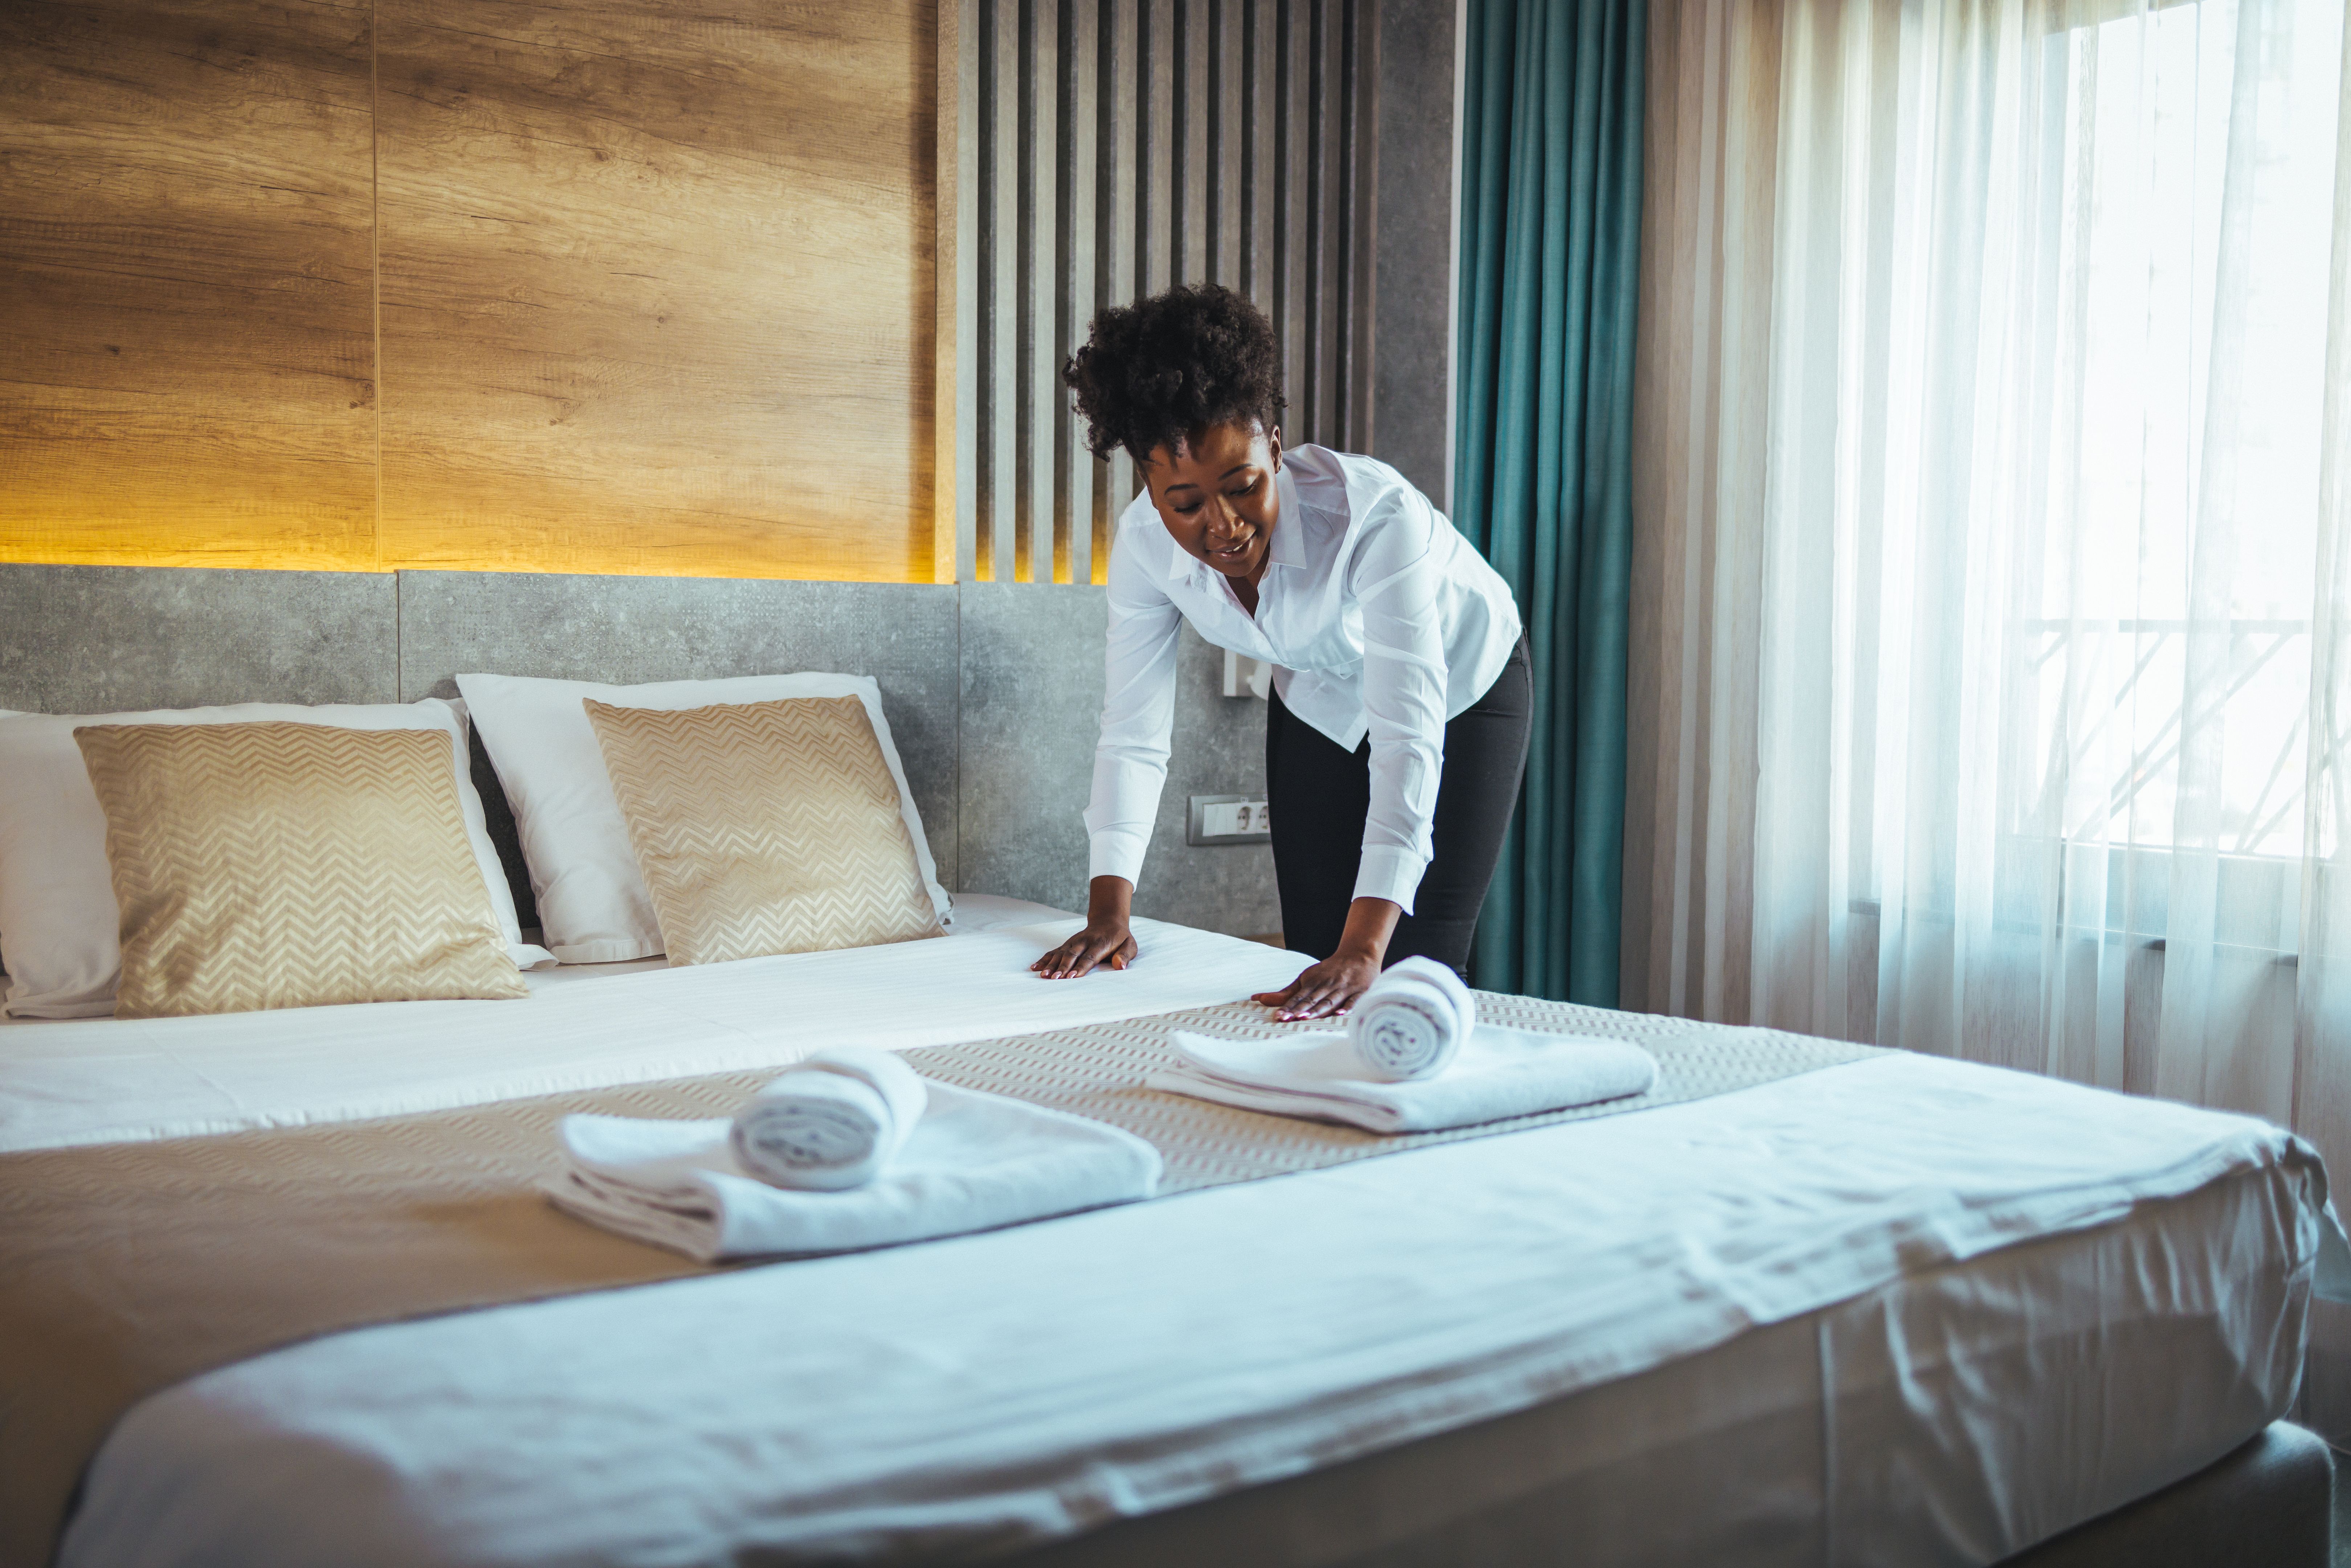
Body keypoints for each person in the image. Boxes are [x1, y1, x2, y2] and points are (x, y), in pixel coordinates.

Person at [1031, 283, 1529, 1020]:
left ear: (1273, 441)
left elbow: (1407, 739)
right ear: (1147, 479)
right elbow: (1132, 731)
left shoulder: (1373, 517)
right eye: (1187, 503)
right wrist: (1109, 909)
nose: (1223, 526)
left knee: (1408, 970)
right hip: (1320, 694)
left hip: (1461, 686)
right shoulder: (1141, 547)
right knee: (1308, 959)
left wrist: (1365, 950)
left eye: (1242, 486)